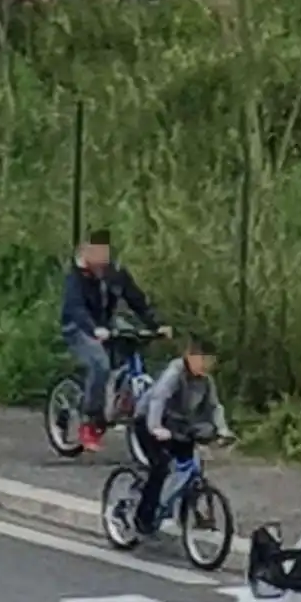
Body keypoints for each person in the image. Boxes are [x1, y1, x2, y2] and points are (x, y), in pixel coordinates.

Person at [60, 228, 170, 452]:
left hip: (108, 323)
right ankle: (91, 422)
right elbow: (76, 309)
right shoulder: (76, 278)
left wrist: (155, 325)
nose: (102, 262)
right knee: (99, 364)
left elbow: (136, 300)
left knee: (134, 341)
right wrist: (95, 330)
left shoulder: (115, 274)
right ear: (86, 252)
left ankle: (124, 401)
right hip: (79, 327)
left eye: (105, 255)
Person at [133, 334, 234, 535]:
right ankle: (143, 516)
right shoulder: (175, 373)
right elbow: (158, 399)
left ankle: (188, 511)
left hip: (178, 427)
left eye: (210, 361)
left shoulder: (206, 381)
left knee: (192, 467)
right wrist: (155, 427)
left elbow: (214, 407)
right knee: (161, 465)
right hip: (149, 421)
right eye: (202, 359)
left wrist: (223, 430)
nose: (205, 365)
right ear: (190, 356)